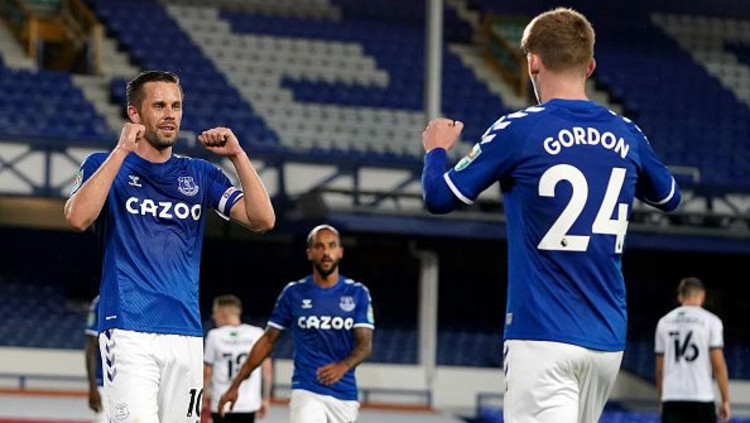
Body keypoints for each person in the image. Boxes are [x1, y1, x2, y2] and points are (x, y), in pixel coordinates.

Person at [421, 7, 681, 423]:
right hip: (606, 340)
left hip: (542, 336)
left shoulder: (519, 129)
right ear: (590, 66)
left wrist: (436, 150)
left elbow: (439, 196)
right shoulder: (628, 133)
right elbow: (669, 197)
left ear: (533, 62)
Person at [64, 70, 275, 422]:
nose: (170, 115)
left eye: (176, 106)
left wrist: (238, 155)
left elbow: (263, 219)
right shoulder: (103, 164)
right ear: (134, 113)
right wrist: (121, 150)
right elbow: (77, 218)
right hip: (128, 329)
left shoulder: (201, 174)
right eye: (159, 105)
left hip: (186, 333)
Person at [218, 225, 374, 423]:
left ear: (340, 252)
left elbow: (364, 346)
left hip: (344, 395)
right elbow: (267, 341)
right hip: (306, 389)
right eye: (319, 246)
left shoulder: (358, 293)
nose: (326, 252)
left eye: (331, 246)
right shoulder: (294, 293)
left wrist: (343, 366)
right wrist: (235, 385)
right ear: (310, 253)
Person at [655, 277, 731, 423]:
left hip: (672, 397)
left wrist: (661, 399)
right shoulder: (712, 321)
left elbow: (659, 370)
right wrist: (725, 400)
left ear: (680, 296)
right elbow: (718, 365)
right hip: (701, 396)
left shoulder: (664, 322)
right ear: (702, 295)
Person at [204, 295, 272, 422]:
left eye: (215, 313)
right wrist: (266, 399)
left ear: (223, 313)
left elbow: (207, 373)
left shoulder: (214, 336)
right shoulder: (257, 333)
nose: (213, 316)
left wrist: (203, 400)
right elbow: (267, 371)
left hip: (221, 402)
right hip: (249, 403)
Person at [85, 295, 107, 423]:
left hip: (132, 381)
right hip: (104, 383)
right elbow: (91, 347)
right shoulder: (100, 301)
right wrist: (93, 387)